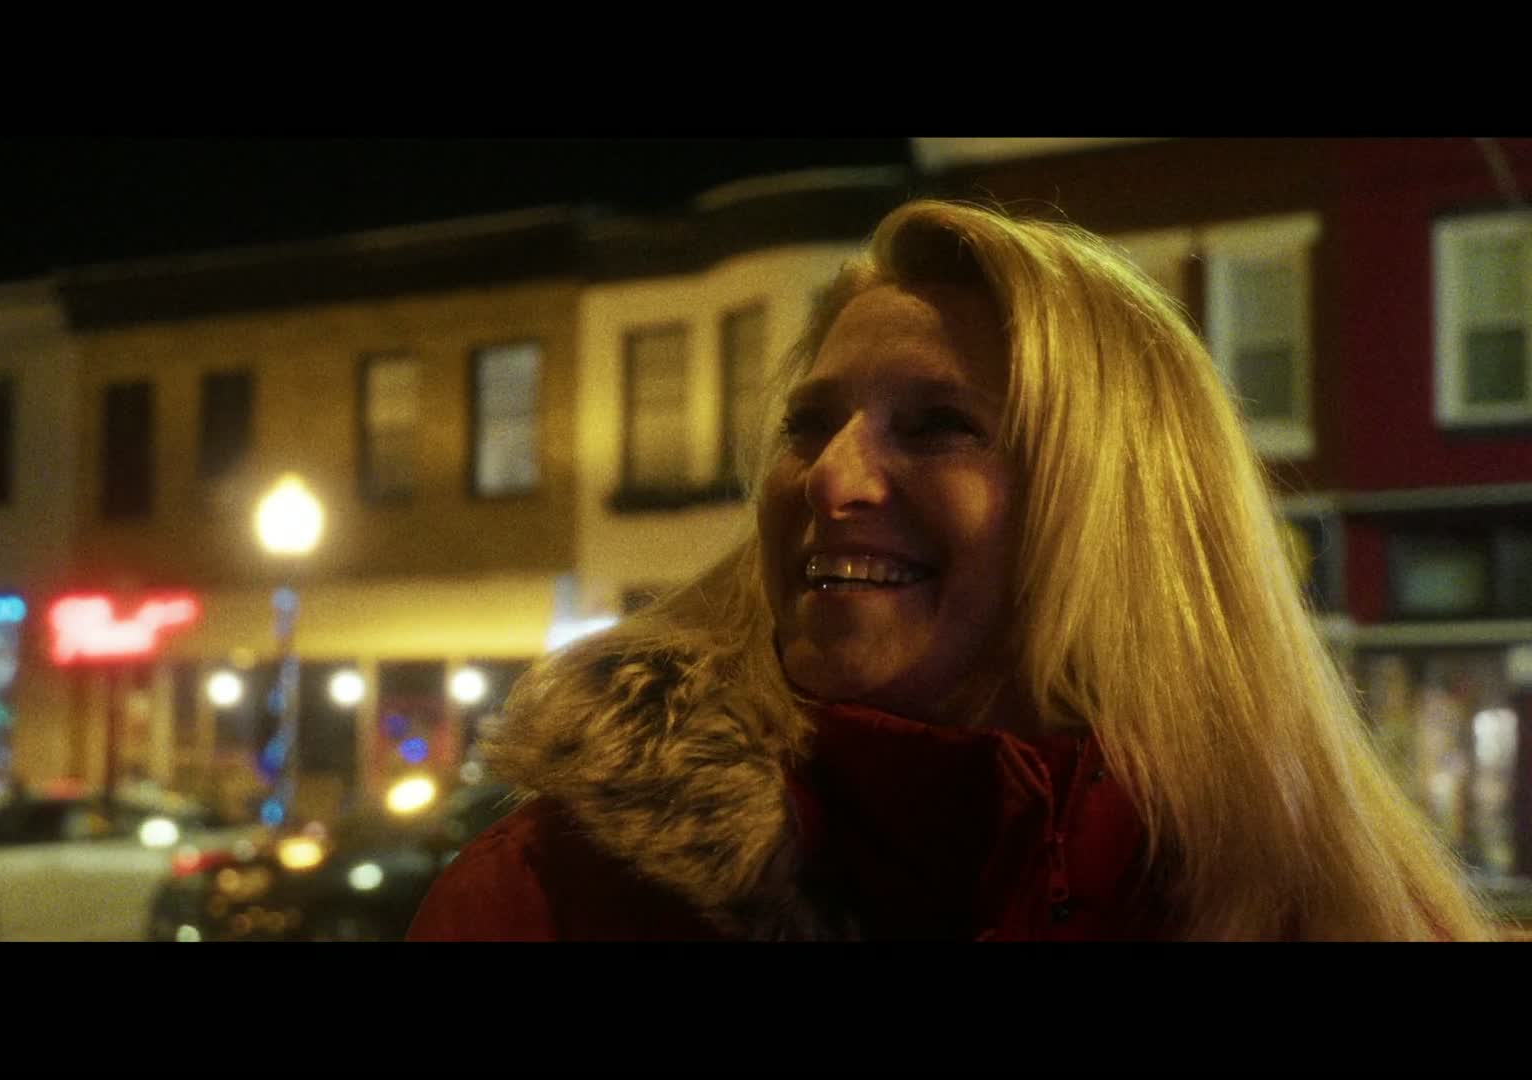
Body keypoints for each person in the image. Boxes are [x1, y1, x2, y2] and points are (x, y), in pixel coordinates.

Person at [407, 198, 1496, 941]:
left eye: (938, 426)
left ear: (1112, 512)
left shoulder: (1321, 906)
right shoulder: (555, 898)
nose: (829, 479)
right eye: (807, 425)